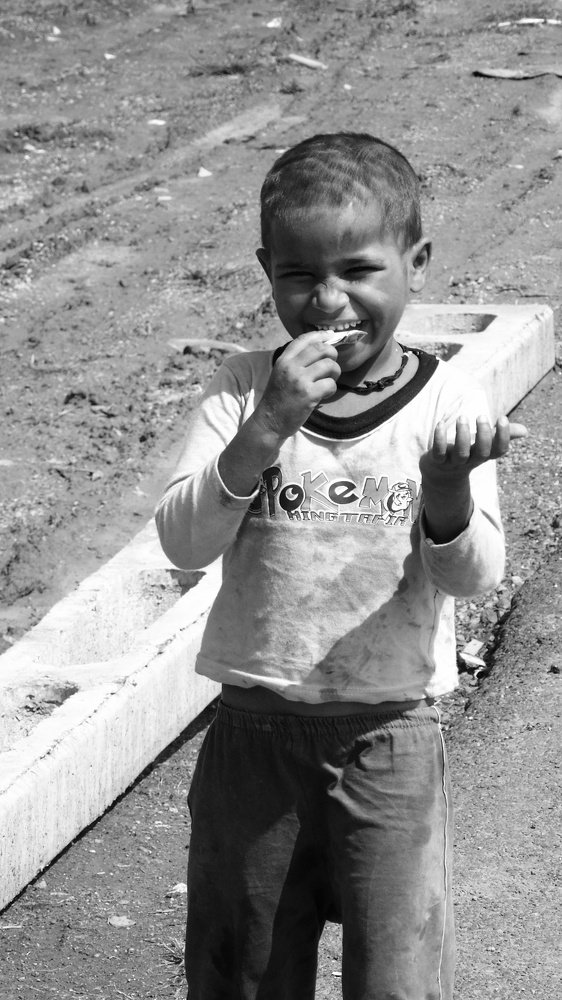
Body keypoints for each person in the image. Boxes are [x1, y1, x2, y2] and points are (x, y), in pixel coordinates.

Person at [155, 132, 526, 1000]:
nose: (328, 301)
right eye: (299, 275)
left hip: (390, 742)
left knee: (398, 979)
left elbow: (474, 577)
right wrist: (265, 428)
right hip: (253, 739)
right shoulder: (242, 389)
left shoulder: (447, 401)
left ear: (416, 264)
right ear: (266, 271)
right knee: (242, 975)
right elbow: (182, 543)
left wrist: (447, 490)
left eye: (359, 270)